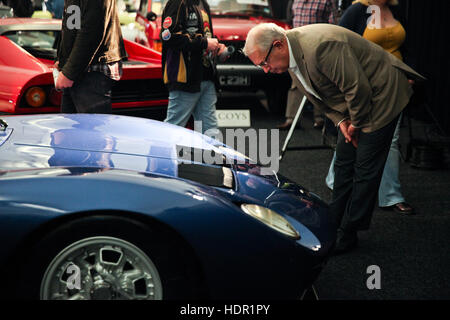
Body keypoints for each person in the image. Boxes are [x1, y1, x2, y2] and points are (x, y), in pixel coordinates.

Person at [242, 23, 424, 254]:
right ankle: (333, 222)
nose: (266, 70)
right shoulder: (289, 55)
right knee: (344, 164)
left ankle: (349, 232)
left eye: (265, 63)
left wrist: (355, 125)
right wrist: (341, 122)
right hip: (354, 103)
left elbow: (358, 89)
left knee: (366, 169)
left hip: (383, 94)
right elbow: (318, 96)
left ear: (278, 45)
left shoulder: (320, 47)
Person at [325, 0, 414, 215]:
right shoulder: (357, 10)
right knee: (353, 133)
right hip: (363, 82)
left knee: (390, 139)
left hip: (394, 83)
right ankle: (335, 180)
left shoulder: (395, 9)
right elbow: (339, 45)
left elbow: (405, 46)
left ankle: (391, 196)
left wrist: (409, 73)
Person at [160, 0, 225, 135]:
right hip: (185, 77)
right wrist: (205, 43)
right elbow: (168, 36)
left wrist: (217, 45)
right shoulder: (176, 2)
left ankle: (212, 156)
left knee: (210, 129)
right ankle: (162, 156)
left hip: (206, 76)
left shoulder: (203, 3)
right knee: (173, 128)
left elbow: (205, 34)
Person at [55, 0, 127, 114]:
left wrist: (69, 72)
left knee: (89, 129)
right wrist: (63, 60)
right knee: (71, 128)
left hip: (92, 71)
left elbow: (91, 31)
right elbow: (73, 25)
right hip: (84, 70)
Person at [278, 0, 338, 130]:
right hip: (295, 46)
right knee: (295, 83)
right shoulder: (295, 1)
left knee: (318, 81)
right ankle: (291, 119)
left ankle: (320, 118)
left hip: (316, 47)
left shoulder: (326, 1)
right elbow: (289, 19)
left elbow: (333, 24)